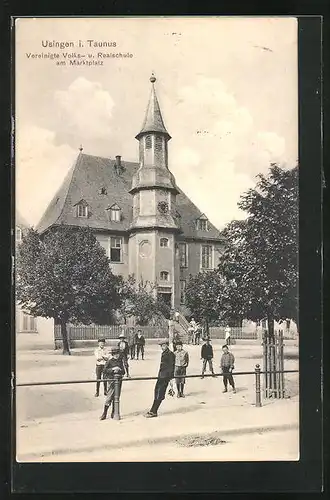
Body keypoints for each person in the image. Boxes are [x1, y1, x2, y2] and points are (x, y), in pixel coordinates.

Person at [145, 341, 175, 418]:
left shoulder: (170, 354)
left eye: (163, 345)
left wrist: (170, 378)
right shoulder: (164, 353)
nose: (162, 347)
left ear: (167, 346)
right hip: (161, 376)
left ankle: (154, 411)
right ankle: (153, 410)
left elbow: (171, 367)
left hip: (165, 377)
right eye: (161, 346)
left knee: (160, 393)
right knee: (157, 392)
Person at [100, 348, 124, 420]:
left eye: (118, 354)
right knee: (109, 397)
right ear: (113, 355)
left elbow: (123, 372)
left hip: (119, 381)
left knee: (116, 397)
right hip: (111, 381)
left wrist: (120, 369)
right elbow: (104, 370)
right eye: (115, 354)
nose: (117, 355)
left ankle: (114, 412)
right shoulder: (109, 361)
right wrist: (113, 369)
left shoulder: (120, 362)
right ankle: (104, 413)